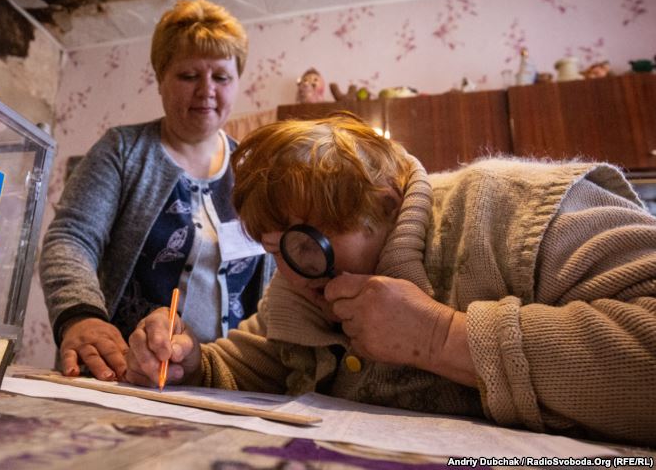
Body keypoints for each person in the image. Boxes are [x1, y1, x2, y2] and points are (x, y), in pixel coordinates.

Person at [125, 113, 656, 446]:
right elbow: (255, 364)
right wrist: (190, 361)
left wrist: (440, 337)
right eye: (272, 249)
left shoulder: (513, 210)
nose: (288, 273)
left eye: (307, 243)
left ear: (384, 205)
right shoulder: (301, 279)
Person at [40, 0, 275, 382]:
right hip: (120, 373)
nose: (206, 91)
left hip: (226, 381)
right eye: (189, 76)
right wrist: (80, 314)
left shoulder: (256, 172)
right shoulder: (123, 150)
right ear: (160, 78)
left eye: (221, 77)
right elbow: (71, 238)